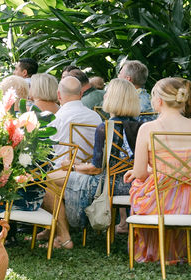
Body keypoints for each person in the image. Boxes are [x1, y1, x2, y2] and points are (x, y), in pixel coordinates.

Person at [126, 78, 191, 264]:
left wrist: (149, 170)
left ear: (159, 101)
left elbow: (139, 174)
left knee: (138, 185)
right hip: (188, 202)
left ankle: (153, 250)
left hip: (160, 202)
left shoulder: (148, 128)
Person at [70, 78, 140, 235]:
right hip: (135, 184)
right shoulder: (141, 126)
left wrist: (74, 167)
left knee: (71, 179)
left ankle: (74, 227)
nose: (104, 96)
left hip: (111, 186)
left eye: (107, 93)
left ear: (113, 98)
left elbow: (95, 169)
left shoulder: (104, 128)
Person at [39, 76, 102, 249]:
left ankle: (63, 236)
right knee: (49, 177)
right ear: (81, 93)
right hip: (89, 173)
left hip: (68, 174)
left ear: (59, 94)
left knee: (43, 179)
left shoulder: (56, 119)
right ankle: (50, 228)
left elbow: (46, 152)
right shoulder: (96, 117)